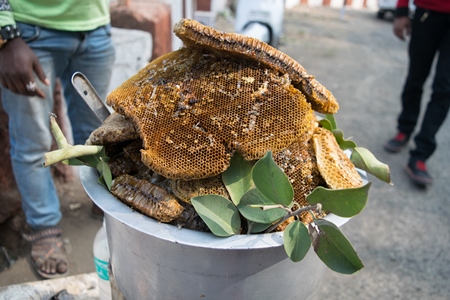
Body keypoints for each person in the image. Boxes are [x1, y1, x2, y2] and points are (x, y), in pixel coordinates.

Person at [0, 1, 115, 278]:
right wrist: (6, 36)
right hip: (28, 29)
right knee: (34, 140)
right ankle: (43, 225)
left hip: (94, 26)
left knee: (99, 133)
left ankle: (103, 201)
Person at [384, 0, 450, 186]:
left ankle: (421, 153)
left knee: (445, 89)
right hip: (428, 13)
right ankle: (405, 128)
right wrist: (401, 10)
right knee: (415, 79)